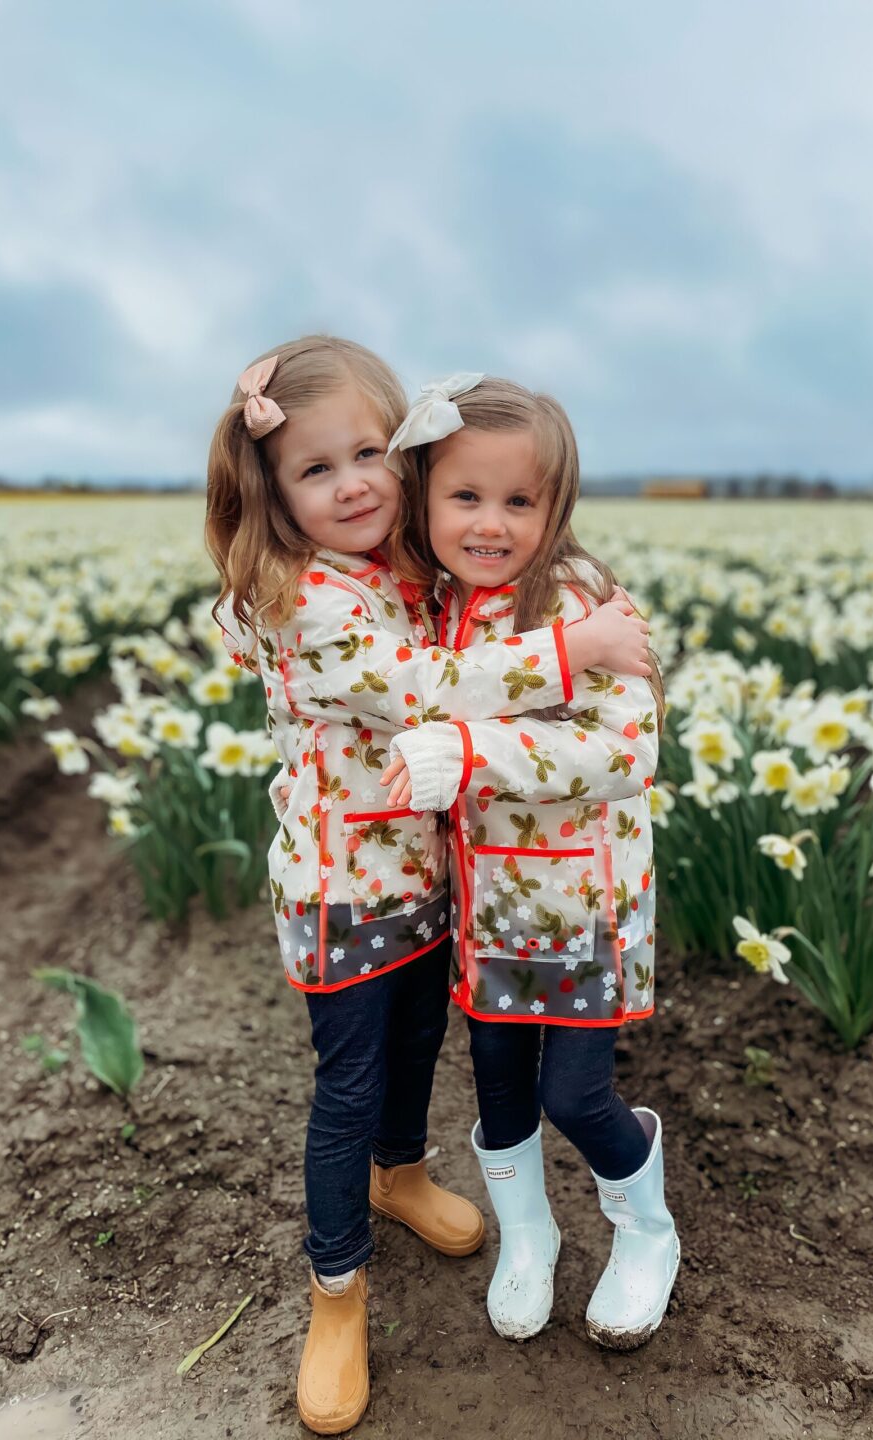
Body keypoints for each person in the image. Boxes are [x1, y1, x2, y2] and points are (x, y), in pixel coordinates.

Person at [205, 340, 651, 1432]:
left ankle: (399, 1177)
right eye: (315, 469)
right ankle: (337, 1294)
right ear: (272, 489)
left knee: (411, 1054)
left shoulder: (405, 567)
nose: (353, 482)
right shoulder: (307, 596)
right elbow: (422, 684)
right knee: (347, 1089)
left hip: (430, 882)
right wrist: (573, 648)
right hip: (339, 891)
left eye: (369, 451)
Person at [382, 374, 680, 1352]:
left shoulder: (583, 603)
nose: (492, 523)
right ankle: (529, 1237)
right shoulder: (433, 610)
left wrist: (473, 753)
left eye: (521, 501)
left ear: (559, 507)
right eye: (467, 497)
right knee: (500, 1086)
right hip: (486, 908)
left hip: (583, 903)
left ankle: (645, 1231)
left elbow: (624, 754)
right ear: (425, 498)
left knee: (575, 1095)